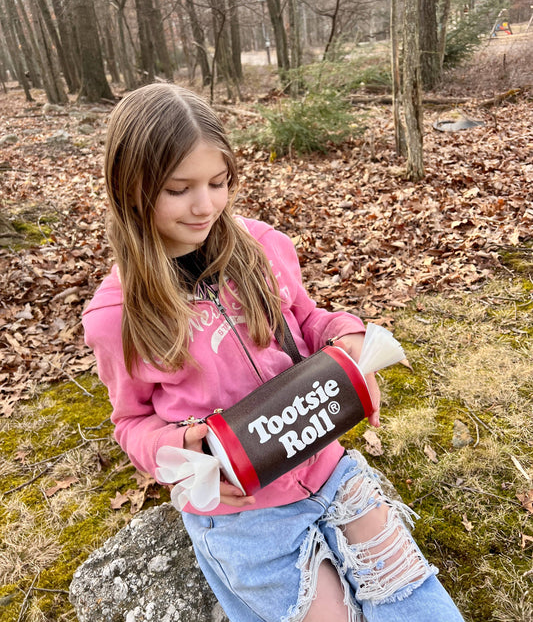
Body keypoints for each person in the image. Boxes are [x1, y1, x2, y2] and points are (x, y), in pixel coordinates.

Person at [83, 83, 465, 622]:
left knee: (408, 592)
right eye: (178, 189)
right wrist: (184, 450)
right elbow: (131, 422)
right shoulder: (117, 315)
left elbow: (309, 320)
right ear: (131, 189)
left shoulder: (261, 246)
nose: (205, 205)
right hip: (243, 512)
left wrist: (346, 338)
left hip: (328, 466)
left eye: (219, 183)